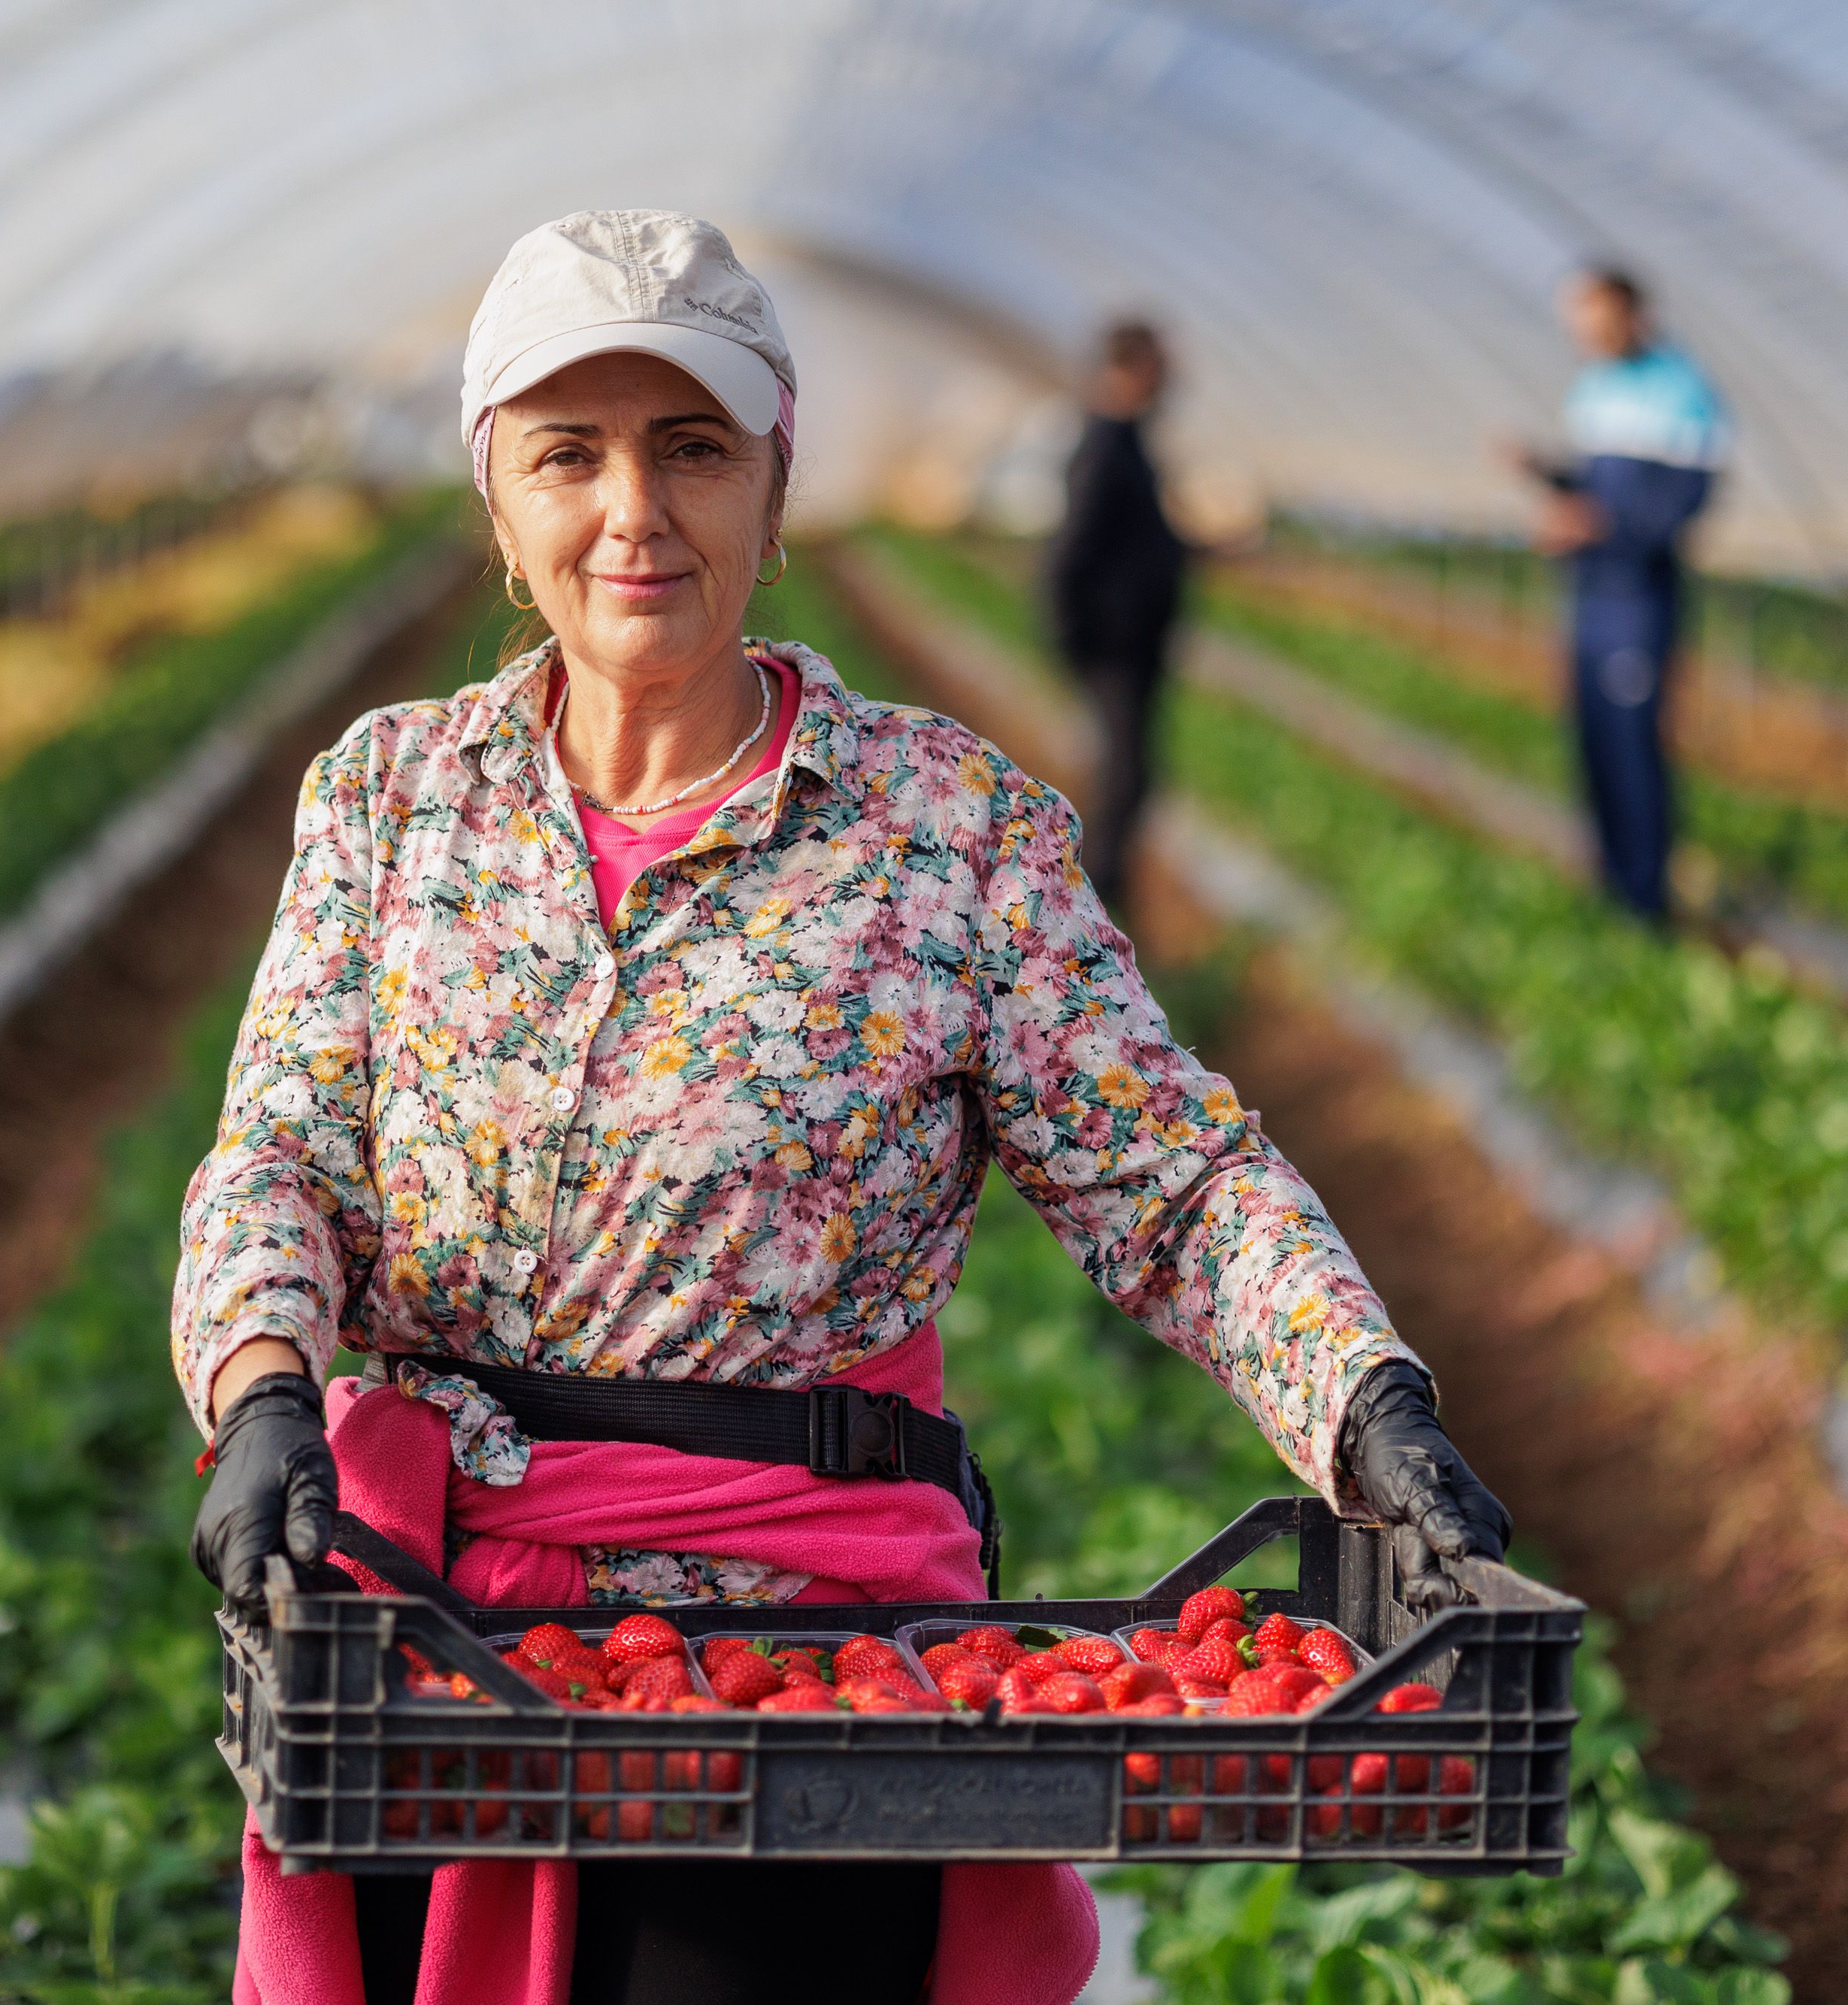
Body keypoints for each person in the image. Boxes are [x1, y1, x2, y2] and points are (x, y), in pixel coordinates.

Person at [174, 209, 1510, 2005]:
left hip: (804, 1682)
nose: (633, 511)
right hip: (433, 1667)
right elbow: (281, 1153)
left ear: (775, 483)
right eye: (569, 454)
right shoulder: (391, 801)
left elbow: (1170, 1179)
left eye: (693, 449)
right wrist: (265, 1389)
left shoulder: (945, 834)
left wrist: (1367, 1401)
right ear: (496, 496)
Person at [1512, 265, 1726, 925]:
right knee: (1594, 743)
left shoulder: (1682, 390)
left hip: (1637, 600)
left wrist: (1600, 526)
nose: (1584, 332)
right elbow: (1589, 485)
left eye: (1595, 318)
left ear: (1633, 315)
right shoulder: (1593, 387)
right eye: (1577, 320)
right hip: (1590, 595)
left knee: (1635, 748)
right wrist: (1545, 476)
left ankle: (1645, 901)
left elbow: (1683, 503)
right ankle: (1607, 885)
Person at [1045, 320, 1187, 916]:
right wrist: (1072, 634)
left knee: (1132, 774)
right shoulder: (1104, 446)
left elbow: (1139, 540)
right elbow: (1073, 547)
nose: (1168, 380)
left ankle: (1103, 896)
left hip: (1135, 640)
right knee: (1125, 776)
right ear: (1126, 370)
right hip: (1113, 643)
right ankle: (1089, 903)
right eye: (1156, 367)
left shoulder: (1128, 441)